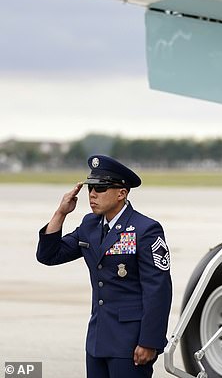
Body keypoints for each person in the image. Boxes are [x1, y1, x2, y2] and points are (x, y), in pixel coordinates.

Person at [36, 155, 173, 378]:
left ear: (122, 193)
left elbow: (158, 289)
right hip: (97, 340)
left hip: (131, 343)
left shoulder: (145, 229)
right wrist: (61, 213)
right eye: (91, 188)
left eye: (101, 188)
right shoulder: (90, 225)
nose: (92, 194)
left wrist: (150, 342)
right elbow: (49, 255)